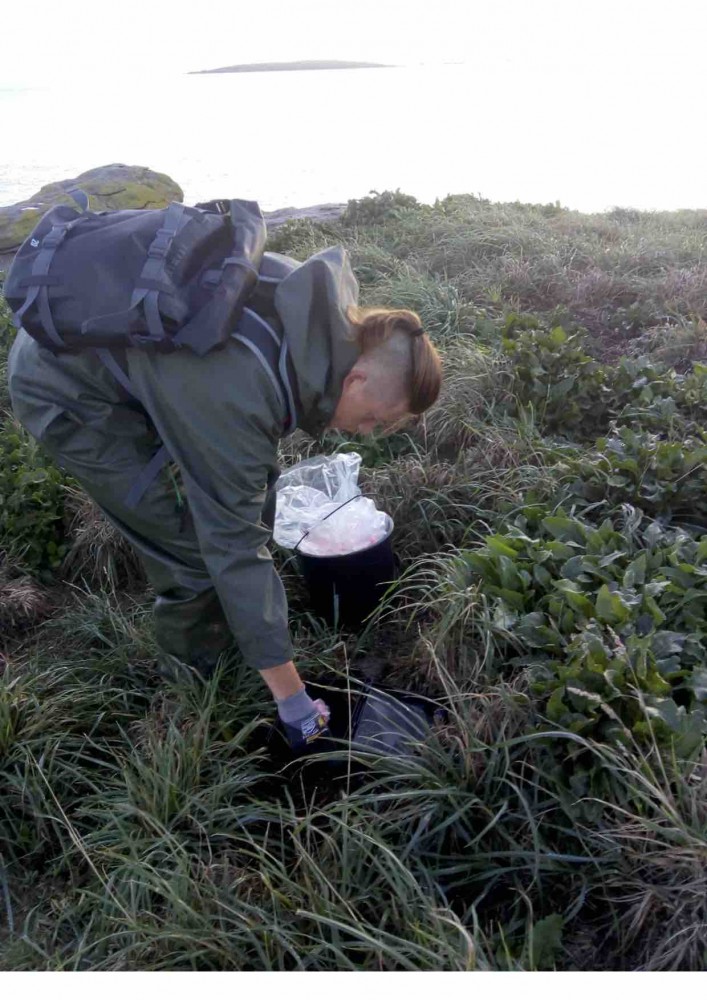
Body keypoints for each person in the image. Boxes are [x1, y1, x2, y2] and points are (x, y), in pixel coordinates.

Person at [6, 244, 443, 749]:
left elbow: (247, 467)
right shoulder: (242, 385)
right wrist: (292, 699)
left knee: (239, 507)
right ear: (358, 377)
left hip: (145, 375)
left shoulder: (321, 322)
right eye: (376, 418)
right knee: (189, 548)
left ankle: (244, 634)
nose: (368, 432)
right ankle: (198, 684)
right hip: (68, 390)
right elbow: (232, 543)